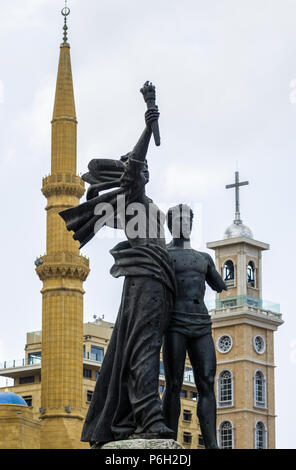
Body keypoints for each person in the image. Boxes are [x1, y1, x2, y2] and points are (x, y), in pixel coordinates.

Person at [59, 97, 176, 446]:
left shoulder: (146, 204)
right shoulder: (135, 197)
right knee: (143, 347)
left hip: (155, 278)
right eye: (136, 170)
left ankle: (131, 417)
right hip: (147, 277)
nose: (142, 171)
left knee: (138, 346)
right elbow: (136, 166)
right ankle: (150, 420)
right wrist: (146, 124)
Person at [161, 204, 227, 449]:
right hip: (175, 322)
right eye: (179, 220)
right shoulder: (163, 254)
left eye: (188, 219)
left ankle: (212, 444)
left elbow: (219, 284)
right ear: (171, 225)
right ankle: (168, 440)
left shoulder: (203, 258)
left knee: (207, 382)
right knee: (174, 383)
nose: (184, 224)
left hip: (201, 323)